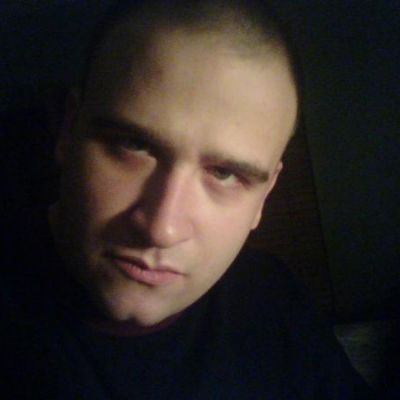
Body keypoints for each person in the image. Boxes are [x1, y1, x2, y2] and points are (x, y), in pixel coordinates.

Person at [1, 0, 374, 398]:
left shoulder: (273, 300)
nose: (162, 229)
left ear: (265, 195)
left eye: (225, 173)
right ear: (68, 131)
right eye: (133, 145)